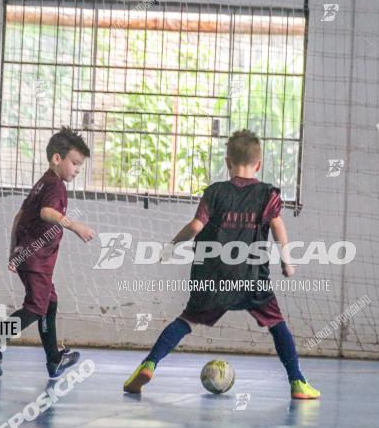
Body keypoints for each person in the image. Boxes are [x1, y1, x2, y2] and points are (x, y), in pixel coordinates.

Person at [123, 129, 321, 400]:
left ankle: (149, 364)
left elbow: (195, 226)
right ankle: (298, 382)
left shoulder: (214, 193)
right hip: (251, 277)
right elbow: (277, 227)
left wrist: (170, 246)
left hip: (212, 276)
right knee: (277, 325)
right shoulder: (267, 195)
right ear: (259, 164)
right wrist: (288, 261)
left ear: (228, 162)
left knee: (186, 320)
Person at [7, 127, 95, 378]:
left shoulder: (42, 182)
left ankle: (54, 359)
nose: (77, 169)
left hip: (31, 257)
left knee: (50, 303)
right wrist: (76, 226)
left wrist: (13, 252)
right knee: (36, 307)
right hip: (36, 260)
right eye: (75, 163)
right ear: (57, 158)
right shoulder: (55, 185)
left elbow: (18, 217)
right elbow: (47, 213)